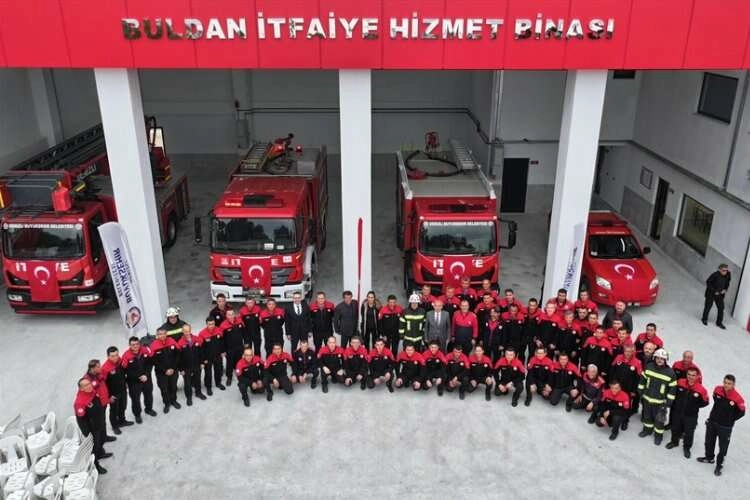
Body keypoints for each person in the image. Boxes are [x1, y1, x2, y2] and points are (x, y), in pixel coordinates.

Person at [698, 374, 746, 476]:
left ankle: (719, 465)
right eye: (725, 382)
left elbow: (742, 412)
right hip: (712, 422)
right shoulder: (717, 390)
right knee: (709, 442)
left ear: (733, 385)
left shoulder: (738, 398)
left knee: (723, 448)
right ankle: (709, 458)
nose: (726, 385)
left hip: (725, 427)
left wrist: (730, 419)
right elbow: (716, 401)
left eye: (729, 383)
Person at [666, 367, 709, 458]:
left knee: (689, 432)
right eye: (689, 374)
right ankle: (674, 442)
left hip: (690, 415)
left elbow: (706, 402)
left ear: (697, 376)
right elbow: (673, 392)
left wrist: (694, 406)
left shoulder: (701, 389)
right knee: (675, 428)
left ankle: (687, 447)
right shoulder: (680, 382)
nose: (690, 377)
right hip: (677, 412)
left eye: (693, 375)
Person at [638, 348, 677, 445]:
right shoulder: (649, 367)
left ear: (665, 360)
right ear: (654, 358)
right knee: (647, 416)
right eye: (658, 358)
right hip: (647, 399)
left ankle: (658, 436)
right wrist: (641, 392)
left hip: (661, 403)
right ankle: (647, 430)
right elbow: (642, 380)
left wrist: (668, 402)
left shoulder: (670, 373)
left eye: (662, 358)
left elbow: (672, 389)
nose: (659, 360)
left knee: (659, 421)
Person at [74, 378, 111, 474]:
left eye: (89, 383)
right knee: (94, 448)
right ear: (81, 388)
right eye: (86, 385)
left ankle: (100, 453)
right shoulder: (80, 402)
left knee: (101, 440)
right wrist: (88, 434)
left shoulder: (93, 392)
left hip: (99, 423)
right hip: (92, 429)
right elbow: (81, 420)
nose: (89, 386)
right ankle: (96, 465)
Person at [120, 336, 156, 423]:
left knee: (148, 395)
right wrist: (138, 377)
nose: (135, 346)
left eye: (137, 344)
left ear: (139, 344)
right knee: (135, 399)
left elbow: (149, 364)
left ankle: (149, 409)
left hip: (146, 379)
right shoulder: (126, 355)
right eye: (133, 344)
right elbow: (126, 370)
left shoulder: (145, 350)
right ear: (129, 345)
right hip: (134, 382)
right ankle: (137, 415)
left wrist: (146, 375)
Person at [609, 343, 643, 430]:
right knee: (615, 402)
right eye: (626, 351)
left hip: (628, 389)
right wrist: (611, 383)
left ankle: (625, 421)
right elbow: (612, 370)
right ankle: (612, 417)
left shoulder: (637, 362)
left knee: (626, 406)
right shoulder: (618, 357)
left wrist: (634, 390)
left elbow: (638, 378)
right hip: (616, 387)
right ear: (623, 351)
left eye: (630, 351)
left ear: (633, 352)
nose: (628, 353)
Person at [101, 347, 133, 435]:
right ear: (108, 356)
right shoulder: (105, 368)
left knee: (123, 406)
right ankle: (115, 426)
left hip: (122, 390)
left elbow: (123, 373)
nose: (115, 357)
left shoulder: (120, 361)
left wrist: (126, 383)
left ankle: (122, 421)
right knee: (114, 410)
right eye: (112, 356)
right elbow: (103, 385)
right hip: (113, 394)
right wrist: (108, 396)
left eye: (116, 355)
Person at [150, 328, 181, 413]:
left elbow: (178, 354)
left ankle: (174, 401)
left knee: (173, 387)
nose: (162, 335)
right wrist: (165, 370)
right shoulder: (153, 345)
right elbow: (154, 361)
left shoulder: (172, 341)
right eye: (160, 334)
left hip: (173, 370)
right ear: (157, 335)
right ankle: (167, 403)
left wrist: (173, 368)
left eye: (164, 333)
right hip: (161, 373)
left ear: (166, 334)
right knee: (164, 389)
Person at [176, 323, 207, 405]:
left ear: (190, 330)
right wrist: (181, 369)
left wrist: (202, 362)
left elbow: (201, 352)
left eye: (188, 331)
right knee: (187, 383)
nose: (187, 333)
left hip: (197, 365)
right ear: (182, 331)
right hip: (186, 367)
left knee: (197, 380)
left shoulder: (196, 339)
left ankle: (198, 393)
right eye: (185, 331)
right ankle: (189, 397)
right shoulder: (180, 343)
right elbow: (178, 358)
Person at [198, 317, 225, 394]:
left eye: (213, 324)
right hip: (207, 358)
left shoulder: (219, 330)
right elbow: (200, 348)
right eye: (209, 324)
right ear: (206, 324)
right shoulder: (202, 333)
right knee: (208, 373)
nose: (211, 326)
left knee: (218, 371)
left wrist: (222, 351)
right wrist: (203, 359)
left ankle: (218, 383)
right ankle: (208, 387)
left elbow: (222, 342)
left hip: (218, 355)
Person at [702, 264, 731, 329]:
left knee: (721, 308)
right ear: (719, 270)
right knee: (708, 306)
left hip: (720, 294)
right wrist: (714, 291)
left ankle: (719, 323)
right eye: (723, 270)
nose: (725, 272)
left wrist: (725, 289)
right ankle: (704, 319)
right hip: (711, 293)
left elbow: (728, 283)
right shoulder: (715, 275)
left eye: (726, 270)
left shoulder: (728, 275)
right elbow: (708, 282)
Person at [220, 309, 245, 387]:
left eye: (232, 314)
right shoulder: (223, 325)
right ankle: (229, 377)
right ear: (226, 316)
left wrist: (246, 344)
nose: (231, 316)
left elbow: (244, 333)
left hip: (239, 347)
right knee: (230, 363)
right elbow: (221, 340)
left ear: (234, 314)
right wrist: (223, 350)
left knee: (239, 362)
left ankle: (240, 375)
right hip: (229, 348)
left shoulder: (240, 322)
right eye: (229, 314)